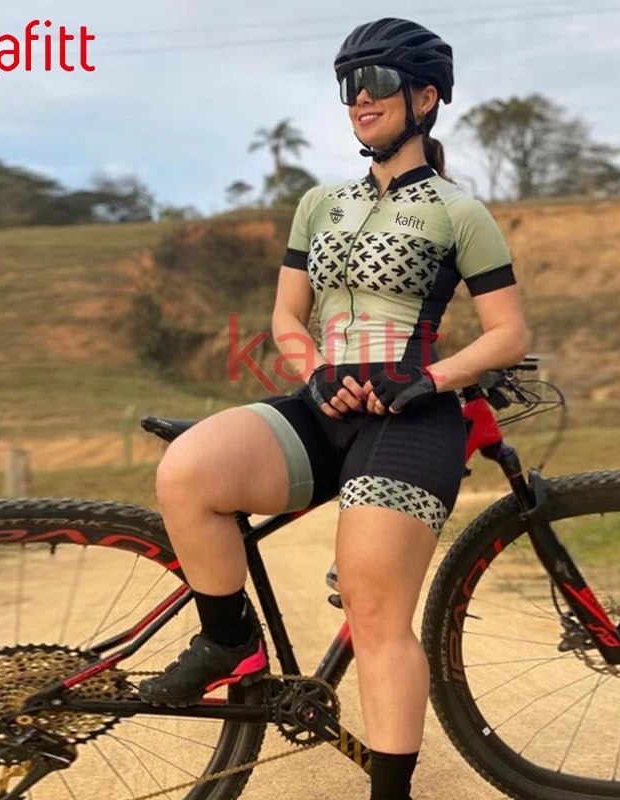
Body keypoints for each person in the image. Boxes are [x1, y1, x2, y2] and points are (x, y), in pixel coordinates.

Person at [140, 17, 530, 800]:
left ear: (426, 98)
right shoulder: (319, 204)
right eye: (349, 85)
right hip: (324, 404)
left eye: (376, 82)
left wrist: (426, 380)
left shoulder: (458, 211)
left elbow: (509, 334)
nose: (360, 99)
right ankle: (227, 643)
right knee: (188, 470)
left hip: (411, 421)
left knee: (374, 609)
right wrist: (314, 373)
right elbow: (288, 317)